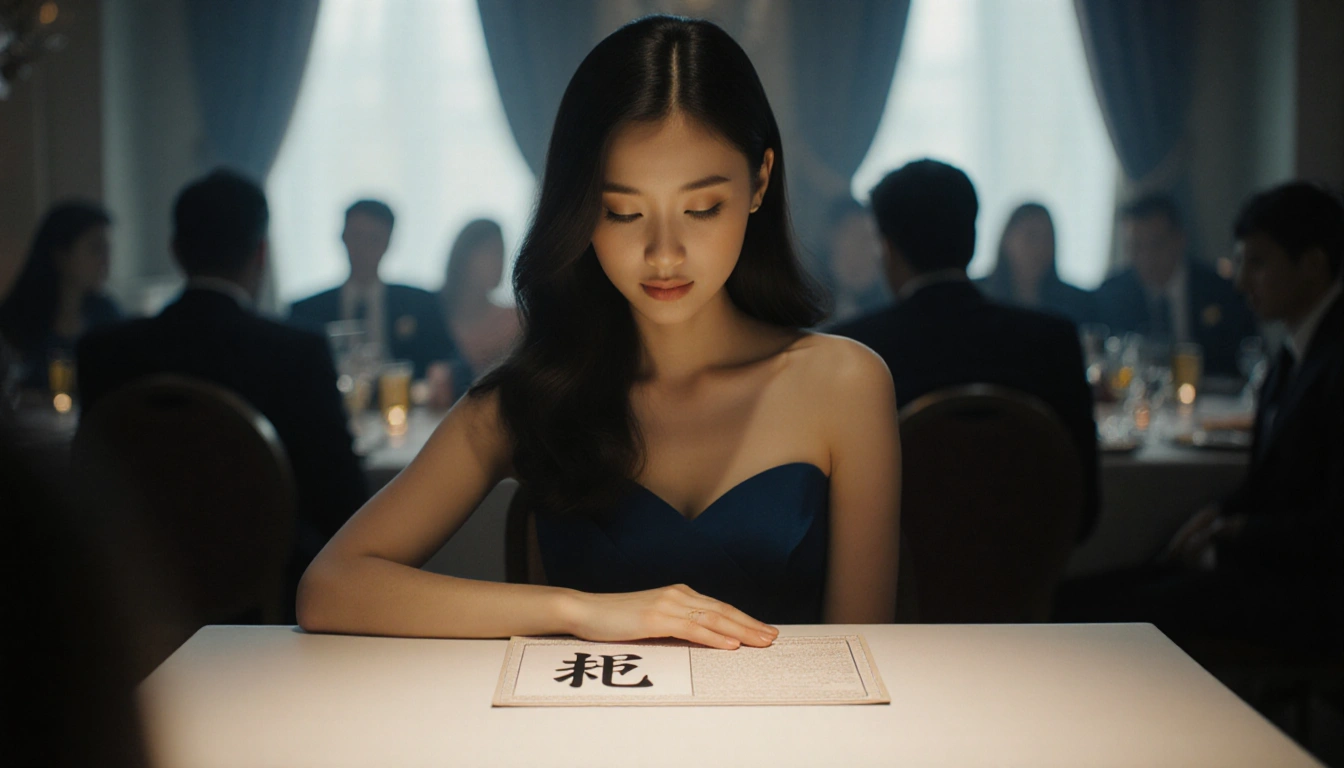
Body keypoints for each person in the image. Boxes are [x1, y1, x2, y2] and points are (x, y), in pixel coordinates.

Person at [298, 16, 901, 647]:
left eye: (701, 209)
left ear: (758, 183)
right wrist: (577, 611)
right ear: (581, 210)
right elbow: (331, 586)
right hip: (585, 742)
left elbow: (866, 655)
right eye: (623, 212)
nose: (663, 253)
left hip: (794, 742)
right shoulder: (536, 393)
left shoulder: (843, 384)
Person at [1060, 182, 1344, 656]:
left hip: (1308, 595)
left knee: (1091, 615)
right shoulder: (1297, 352)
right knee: (1079, 597)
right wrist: (1218, 515)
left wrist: (1232, 533)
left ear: (1313, 265)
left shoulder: (1331, 359)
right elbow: (1271, 483)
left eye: (1257, 263)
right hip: (1271, 570)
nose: (1239, 282)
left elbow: (1333, 527)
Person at [77, 169, 369, 617]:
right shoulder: (296, 353)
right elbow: (344, 504)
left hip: (135, 589)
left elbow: (94, 487)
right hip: (270, 592)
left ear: (176, 251)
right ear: (261, 253)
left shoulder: (104, 352)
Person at [831, 159, 1098, 541]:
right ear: (972, 241)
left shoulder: (851, 350)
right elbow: (1082, 508)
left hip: (896, 592)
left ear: (887, 249)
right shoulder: (1051, 340)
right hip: (1026, 587)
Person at [289, 199, 467, 393]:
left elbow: (451, 359)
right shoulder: (306, 312)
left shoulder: (420, 303)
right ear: (343, 237)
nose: (363, 248)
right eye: (356, 236)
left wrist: (442, 374)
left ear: (388, 242)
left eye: (373, 239)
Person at [1094, 194, 1256, 376]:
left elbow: (1247, 358)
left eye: (1157, 245)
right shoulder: (1113, 293)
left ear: (1180, 239)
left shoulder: (1221, 292)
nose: (1146, 258)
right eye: (1136, 246)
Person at [0, 201, 121, 389]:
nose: (106, 261)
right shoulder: (16, 321)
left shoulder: (107, 315)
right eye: (96, 249)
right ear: (61, 255)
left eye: (108, 250)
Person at [977, 202, 1096, 326]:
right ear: (1007, 241)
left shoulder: (1077, 303)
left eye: (1047, 239)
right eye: (1031, 237)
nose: (1040, 248)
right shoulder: (977, 296)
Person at [439, 218, 520, 378]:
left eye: (501, 253)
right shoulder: (431, 313)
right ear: (463, 257)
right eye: (490, 253)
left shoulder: (514, 321)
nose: (499, 262)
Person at [815, 196, 889, 325]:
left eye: (867, 240)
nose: (859, 254)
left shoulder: (888, 310)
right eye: (851, 238)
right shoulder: (806, 303)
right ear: (829, 244)